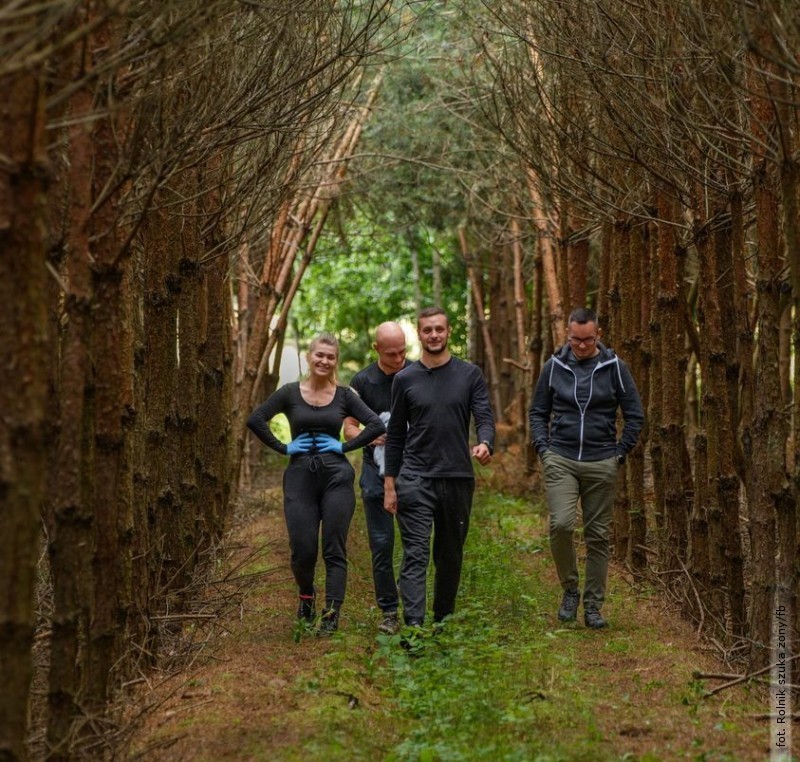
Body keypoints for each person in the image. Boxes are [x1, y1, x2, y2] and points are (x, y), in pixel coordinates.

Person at [247, 332, 385, 635]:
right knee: (302, 548)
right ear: (310, 357)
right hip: (299, 477)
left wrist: (343, 448)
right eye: (319, 355)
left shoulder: (345, 395)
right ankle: (306, 598)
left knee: (334, 547)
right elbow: (256, 419)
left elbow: (375, 424)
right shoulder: (289, 392)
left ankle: (332, 613)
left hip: (336, 476)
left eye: (330, 357)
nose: (324, 361)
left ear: (335, 361)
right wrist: (284, 447)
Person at [529, 307, 644, 629]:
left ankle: (593, 607)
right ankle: (570, 590)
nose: (581, 345)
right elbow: (537, 411)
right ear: (568, 335)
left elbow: (634, 414)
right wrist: (544, 449)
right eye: (575, 339)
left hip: (601, 460)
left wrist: (619, 454)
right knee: (562, 525)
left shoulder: (615, 367)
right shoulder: (553, 367)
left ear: (599, 335)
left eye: (587, 340)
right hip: (561, 458)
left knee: (597, 537)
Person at [383, 307, 495, 627]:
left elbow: (484, 416)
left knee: (449, 555)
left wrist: (485, 442)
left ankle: (442, 621)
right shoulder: (404, 379)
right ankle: (414, 628)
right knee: (415, 553)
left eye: (439, 329)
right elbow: (395, 437)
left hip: (457, 476)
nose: (434, 335)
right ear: (419, 335)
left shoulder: (469, 374)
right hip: (415, 477)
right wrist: (391, 484)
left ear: (448, 333)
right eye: (427, 330)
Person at [343, 322, 409, 636]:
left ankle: (413, 603)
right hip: (374, 472)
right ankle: (388, 612)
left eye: (403, 352)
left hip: (412, 471)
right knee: (382, 544)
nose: (399, 359)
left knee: (415, 543)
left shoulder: (417, 374)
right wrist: (370, 438)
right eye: (392, 354)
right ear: (377, 350)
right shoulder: (363, 381)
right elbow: (350, 427)